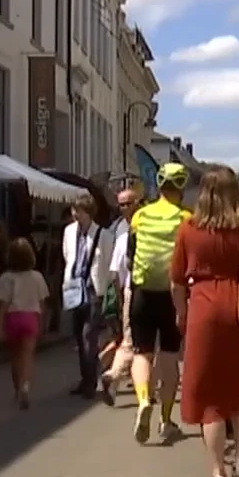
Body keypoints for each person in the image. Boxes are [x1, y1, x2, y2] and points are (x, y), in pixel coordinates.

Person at [170, 165, 239, 477]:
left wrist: (182, 314)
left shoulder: (188, 228)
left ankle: (218, 473)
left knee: (209, 394)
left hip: (203, 309)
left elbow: (176, 280)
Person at [127, 165, 191, 445]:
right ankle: (166, 419)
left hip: (142, 292)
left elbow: (131, 255)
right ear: (182, 186)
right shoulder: (186, 219)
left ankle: (143, 399)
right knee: (168, 358)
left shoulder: (140, 216)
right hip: (171, 294)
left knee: (141, 353)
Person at [60, 195, 110, 399]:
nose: (75, 214)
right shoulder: (69, 232)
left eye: (78, 210)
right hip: (74, 288)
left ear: (89, 212)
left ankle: (91, 382)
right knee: (78, 337)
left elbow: (106, 263)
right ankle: (85, 378)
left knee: (89, 336)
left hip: (93, 289)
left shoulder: (104, 235)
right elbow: (67, 255)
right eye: (73, 210)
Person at [96, 181, 141, 404]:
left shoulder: (123, 234)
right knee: (144, 345)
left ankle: (113, 380)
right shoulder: (121, 233)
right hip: (141, 292)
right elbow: (114, 274)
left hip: (131, 291)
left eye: (127, 204)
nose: (124, 208)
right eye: (121, 205)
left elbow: (115, 273)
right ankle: (144, 393)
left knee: (129, 341)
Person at [0, 237, 49, 410]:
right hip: (31, 317)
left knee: (15, 356)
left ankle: (17, 387)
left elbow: (2, 304)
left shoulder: (6, 278)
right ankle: (25, 387)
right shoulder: (37, 277)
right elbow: (43, 303)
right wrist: (43, 322)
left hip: (12, 317)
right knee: (27, 355)